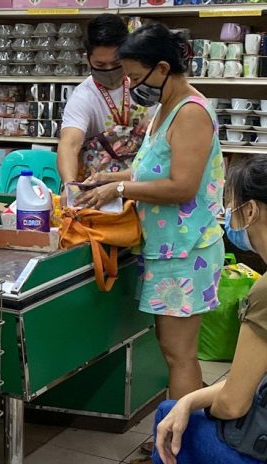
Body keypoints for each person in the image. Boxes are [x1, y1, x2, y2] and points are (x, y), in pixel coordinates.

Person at [77, 23, 225, 421]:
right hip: (166, 247)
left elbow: (182, 186)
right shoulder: (164, 109)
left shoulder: (191, 113)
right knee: (169, 347)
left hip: (187, 249)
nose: (131, 84)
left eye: (136, 76)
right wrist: (108, 179)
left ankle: (182, 438)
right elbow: (148, 171)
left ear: (162, 68)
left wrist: (120, 193)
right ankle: (175, 434)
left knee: (179, 354)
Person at [151, 155, 267, 464]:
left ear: (251, 210)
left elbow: (233, 405)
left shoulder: (265, 292)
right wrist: (190, 400)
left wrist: (188, 406)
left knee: (168, 419)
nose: (227, 215)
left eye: (231, 205)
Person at [57, 14, 156, 195]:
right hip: (98, 191)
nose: (109, 70)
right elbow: (69, 144)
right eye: (100, 65)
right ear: (88, 59)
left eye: (116, 63)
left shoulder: (148, 85)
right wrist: (70, 184)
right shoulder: (83, 96)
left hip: (146, 186)